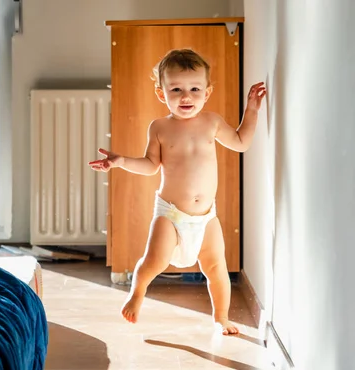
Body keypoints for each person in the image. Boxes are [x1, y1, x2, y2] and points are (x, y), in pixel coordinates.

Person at [88, 49, 266, 335]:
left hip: (207, 217)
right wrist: (120, 161)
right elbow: (150, 166)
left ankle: (221, 317)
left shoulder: (213, 122)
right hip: (170, 214)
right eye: (177, 89)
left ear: (207, 92)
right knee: (154, 261)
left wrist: (252, 110)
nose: (187, 97)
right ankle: (138, 291)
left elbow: (242, 142)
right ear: (162, 94)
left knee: (217, 267)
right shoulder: (159, 128)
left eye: (195, 89)